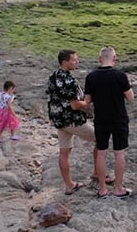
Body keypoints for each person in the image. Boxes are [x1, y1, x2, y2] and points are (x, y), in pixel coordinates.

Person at [48, 49, 105, 195]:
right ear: (65, 62)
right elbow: (74, 105)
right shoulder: (69, 81)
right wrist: (88, 102)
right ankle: (97, 173)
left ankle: (69, 185)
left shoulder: (53, 76)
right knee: (101, 139)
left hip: (58, 119)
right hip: (72, 120)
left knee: (64, 151)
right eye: (74, 60)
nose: (77, 62)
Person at [84, 46, 136, 198]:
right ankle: (118, 188)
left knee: (101, 153)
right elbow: (130, 97)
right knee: (119, 153)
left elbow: (87, 100)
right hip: (119, 119)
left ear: (99, 59)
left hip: (101, 119)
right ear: (114, 58)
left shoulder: (91, 77)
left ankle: (102, 189)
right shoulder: (120, 75)